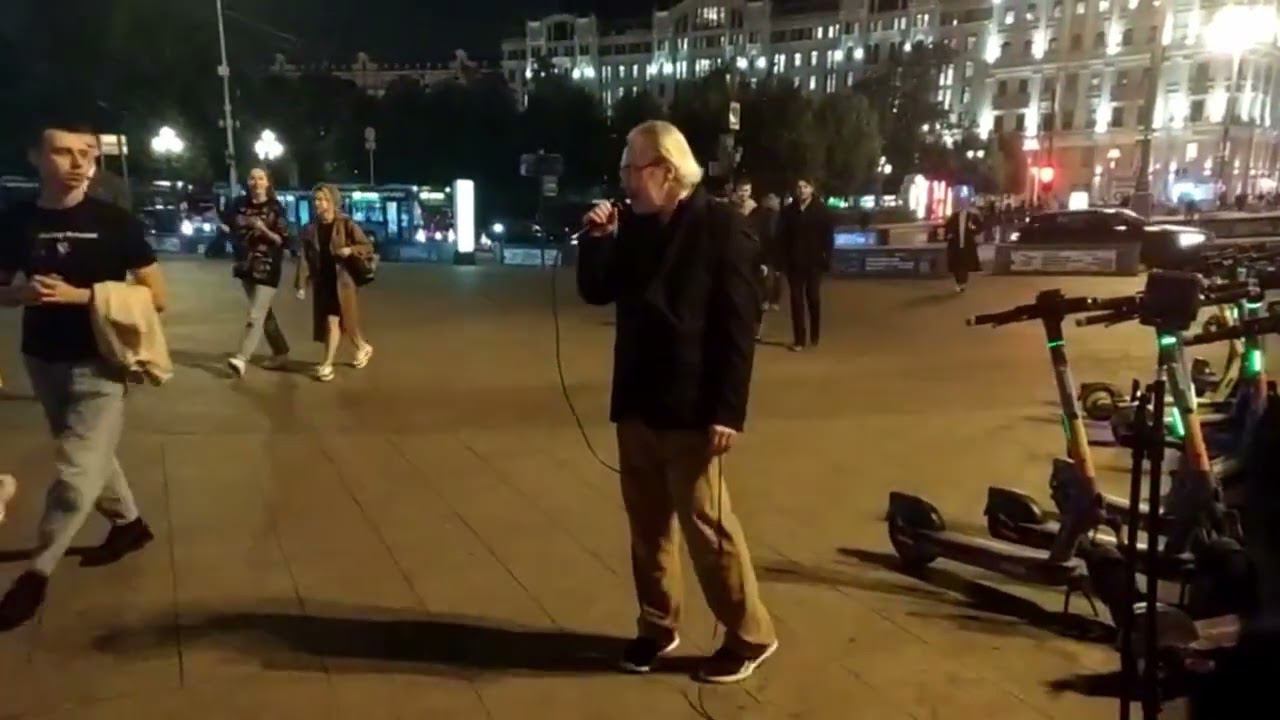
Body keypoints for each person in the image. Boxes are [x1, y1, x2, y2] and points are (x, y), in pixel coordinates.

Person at [577, 120, 778, 684]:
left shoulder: (722, 227)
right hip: (637, 401)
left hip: (692, 408)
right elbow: (597, 290)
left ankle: (750, 634)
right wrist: (598, 240)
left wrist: (728, 411)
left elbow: (738, 327)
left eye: (632, 169)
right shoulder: (634, 226)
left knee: (708, 528)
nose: (624, 180)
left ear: (666, 171)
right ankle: (658, 624)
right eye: (623, 169)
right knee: (647, 528)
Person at [0, 117, 169, 631]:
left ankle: (36, 575)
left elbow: (157, 296)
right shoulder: (16, 221)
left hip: (100, 362)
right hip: (41, 358)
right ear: (36, 158)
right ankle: (130, 525)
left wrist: (83, 296)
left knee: (75, 473)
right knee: (89, 454)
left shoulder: (115, 222)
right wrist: (19, 293)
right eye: (63, 152)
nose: (77, 163)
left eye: (87, 153)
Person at [295, 184, 374, 383]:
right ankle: (362, 347)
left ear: (333, 202)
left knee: (335, 321)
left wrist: (350, 250)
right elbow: (305, 258)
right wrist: (301, 284)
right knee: (341, 321)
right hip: (323, 281)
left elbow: (367, 246)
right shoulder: (310, 228)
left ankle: (327, 364)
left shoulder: (345, 224)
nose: (318, 203)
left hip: (343, 281)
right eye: (316, 199)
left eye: (323, 199)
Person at [223, 168, 292, 377]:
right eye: (252, 178)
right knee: (263, 312)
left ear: (268, 182)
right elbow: (228, 225)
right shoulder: (238, 204)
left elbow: (282, 240)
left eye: (261, 178)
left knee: (256, 313)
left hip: (267, 266)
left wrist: (263, 229)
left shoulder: (275, 208)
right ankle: (281, 352)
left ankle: (242, 358)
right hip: (245, 264)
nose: (256, 182)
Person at [777, 177, 834, 352]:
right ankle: (799, 340)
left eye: (805, 186)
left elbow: (828, 238)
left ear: (812, 189)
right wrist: (782, 261)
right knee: (796, 301)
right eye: (799, 187)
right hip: (794, 264)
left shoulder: (822, 210)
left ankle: (814, 334)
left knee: (813, 298)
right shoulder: (788, 211)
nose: (802, 190)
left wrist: (827, 259)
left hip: (814, 263)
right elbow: (782, 238)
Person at [944, 202, 983, 293]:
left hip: (967, 245)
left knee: (964, 265)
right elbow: (947, 227)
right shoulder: (954, 216)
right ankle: (958, 282)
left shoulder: (972, 216)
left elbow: (980, 227)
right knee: (956, 265)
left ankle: (963, 283)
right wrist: (949, 234)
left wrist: (973, 230)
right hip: (956, 245)